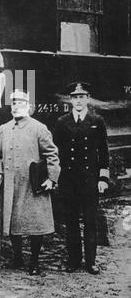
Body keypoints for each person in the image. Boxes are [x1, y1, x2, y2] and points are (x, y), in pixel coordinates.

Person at [0, 90, 60, 275]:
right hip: (10, 185)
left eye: (20, 103)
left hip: (32, 185)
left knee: (35, 226)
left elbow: (52, 154)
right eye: (13, 103)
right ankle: (17, 256)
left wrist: (52, 178)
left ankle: (34, 262)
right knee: (13, 224)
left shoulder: (39, 128)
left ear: (28, 106)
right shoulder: (3, 129)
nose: (16, 107)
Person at [53, 82, 110, 275]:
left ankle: (91, 262)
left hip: (90, 180)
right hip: (69, 180)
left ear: (87, 99)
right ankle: (74, 260)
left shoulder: (97, 121)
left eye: (82, 97)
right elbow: (56, 151)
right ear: (71, 100)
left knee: (90, 221)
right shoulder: (62, 122)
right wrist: (56, 177)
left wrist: (103, 178)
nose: (78, 100)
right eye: (75, 97)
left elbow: (103, 151)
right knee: (71, 222)